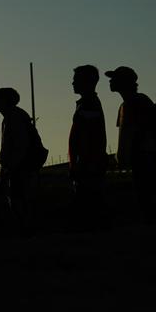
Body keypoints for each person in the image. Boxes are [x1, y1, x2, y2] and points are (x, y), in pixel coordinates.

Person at [109, 66, 156, 222]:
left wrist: (121, 156)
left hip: (142, 156)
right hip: (150, 155)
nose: (111, 81)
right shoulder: (142, 100)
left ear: (123, 82)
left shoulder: (128, 104)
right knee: (152, 196)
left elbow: (127, 133)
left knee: (145, 196)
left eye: (114, 78)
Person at [0, 87, 42, 237]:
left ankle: (25, 233)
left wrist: (9, 169)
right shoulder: (12, 117)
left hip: (19, 169)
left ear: (5, 101)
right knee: (17, 201)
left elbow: (19, 146)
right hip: (17, 168)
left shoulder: (14, 118)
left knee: (19, 201)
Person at [68, 65, 108, 231]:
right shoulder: (87, 103)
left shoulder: (88, 104)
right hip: (88, 164)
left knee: (88, 205)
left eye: (76, 80)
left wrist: (79, 163)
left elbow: (87, 138)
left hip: (87, 165)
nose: (72, 83)